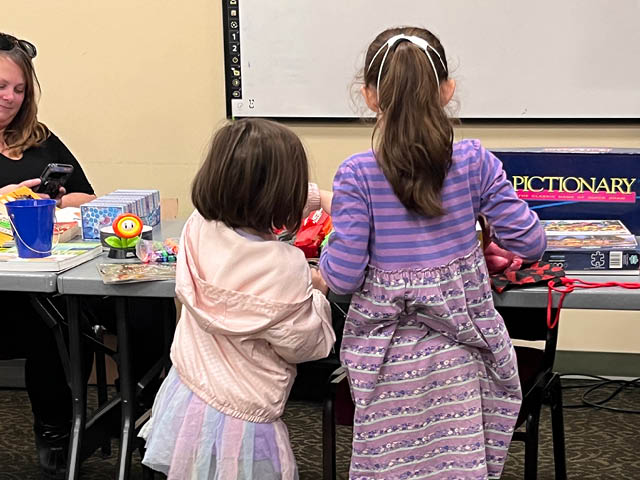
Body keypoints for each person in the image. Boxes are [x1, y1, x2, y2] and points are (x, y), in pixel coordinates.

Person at [319, 27, 546, 480]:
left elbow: (342, 278)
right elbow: (531, 243)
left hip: (389, 367)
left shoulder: (356, 175)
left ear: (369, 96)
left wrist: (326, 253)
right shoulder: (476, 162)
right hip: (465, 362)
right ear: (447, 91)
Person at [141, 118, 336, 479]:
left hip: (189, 396)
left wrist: (314, 197)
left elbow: (249, 187)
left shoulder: (199, 228)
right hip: (247, 418)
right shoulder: (286, 266)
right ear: (283, 194)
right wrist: (318, 293)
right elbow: (307, 344)